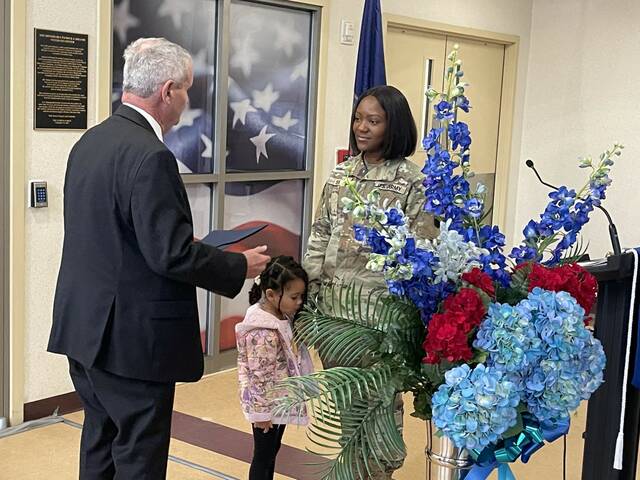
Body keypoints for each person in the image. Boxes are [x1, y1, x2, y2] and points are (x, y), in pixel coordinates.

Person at [47, 37, 270, 480]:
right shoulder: (150, 156)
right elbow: (169, 253)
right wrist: (237, 266)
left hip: (85, 329)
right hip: (130, 342)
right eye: (186, 89)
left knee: (100, 441)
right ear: (167, 91)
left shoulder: (90, 142)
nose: (187, 101)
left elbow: (121, 238)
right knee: (139, 457)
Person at [302, 85, 438, 479]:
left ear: (393, 126)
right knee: (345, 406)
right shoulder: (342, 174)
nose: (362, 127)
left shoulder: (413, 182)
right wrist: (308, 297)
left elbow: (421, 254)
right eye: (358, 118)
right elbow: (320, 233)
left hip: (380, 320)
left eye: (373, 121)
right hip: (333, 316)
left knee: (377, 411)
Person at [236, 256, 314, 480]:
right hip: (266, 407)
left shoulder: (280, 316)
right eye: (294, 297)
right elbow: (258, 375)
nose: (299, 302)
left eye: (302, 296)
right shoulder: (263, 331)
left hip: (278, 401)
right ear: (271, 294)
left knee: (271, 453)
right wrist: (261, 413)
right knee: (263, 457)